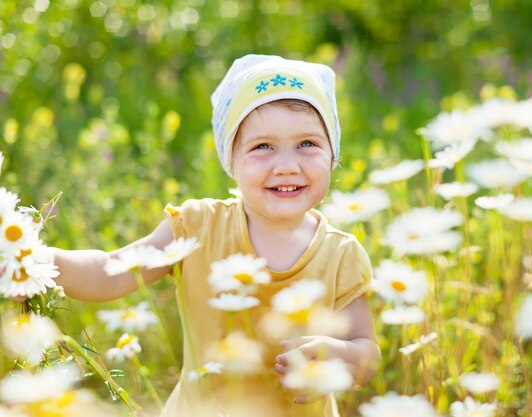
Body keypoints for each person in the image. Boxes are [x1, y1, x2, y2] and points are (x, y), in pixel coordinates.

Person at [46, 54, 380, 416]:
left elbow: (366, 348)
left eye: (308, 144)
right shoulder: (197, 227)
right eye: (262, 146)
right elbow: (110, 271)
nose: (287, 165)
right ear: (230, 160)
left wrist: (341, 356)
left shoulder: (341, 253)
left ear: (333, 155)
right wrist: (45, 262)